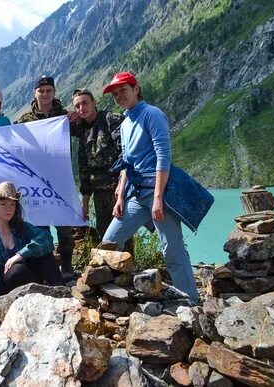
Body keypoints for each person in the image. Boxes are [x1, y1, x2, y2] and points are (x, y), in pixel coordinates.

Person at [101, 72, 199, 302]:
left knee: (172, 250)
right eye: (115, 94)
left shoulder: (152, 114)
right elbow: (126, 162)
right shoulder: (125, 123)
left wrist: (157, 198)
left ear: (136, 89)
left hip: (158, 192)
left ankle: (190, 303)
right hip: (136, 193)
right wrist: (120, 197)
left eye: (123, 90)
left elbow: (163, 156)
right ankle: (114, 298)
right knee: (110, 242)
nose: (119, 97)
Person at [0, 181, 62, 306]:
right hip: (2, 285)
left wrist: (21, 254)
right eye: (3, 204)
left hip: (28, 279)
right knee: (17, 270)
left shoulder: (20, 226)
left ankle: (60, 293)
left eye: (12, 204)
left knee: (44, 254)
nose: (8, 208)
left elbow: (46, 238)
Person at [16, 75, 75, 279]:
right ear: (35, 93)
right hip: (35, 181)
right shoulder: (24, 120)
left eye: (49, 90)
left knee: (64, 223)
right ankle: (45, 264)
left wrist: (76, 119)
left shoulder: (64, 116)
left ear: (54, 92)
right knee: (39, 225)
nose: (45, 94)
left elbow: (82, 129)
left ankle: (67, 264)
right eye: (41, 91)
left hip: (60, 178)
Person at [71, 88, 125, 239]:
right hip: (99, 194)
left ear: (94, 103)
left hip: (118, 189)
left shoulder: (111, 119)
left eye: (85, 103)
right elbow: (84, 169)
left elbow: (125, 154)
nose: (82, 108)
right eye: (77, 106)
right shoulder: (82, 130)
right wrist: (85, 203)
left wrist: (121, 190)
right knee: (105, 237)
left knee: (122, 236)